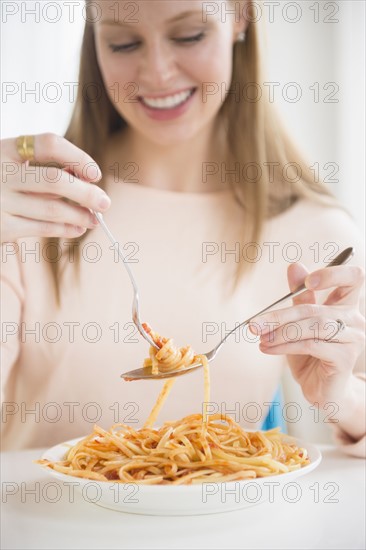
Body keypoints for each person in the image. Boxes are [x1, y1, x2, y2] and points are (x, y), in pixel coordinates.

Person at [1, 0, 365, 455]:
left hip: (231, 528)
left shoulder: (318, 233)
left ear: (240, 17)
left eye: (189, 35)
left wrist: (344, 398)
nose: (156, 73)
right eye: (124, 42)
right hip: (36, 524)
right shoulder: (29, 207)